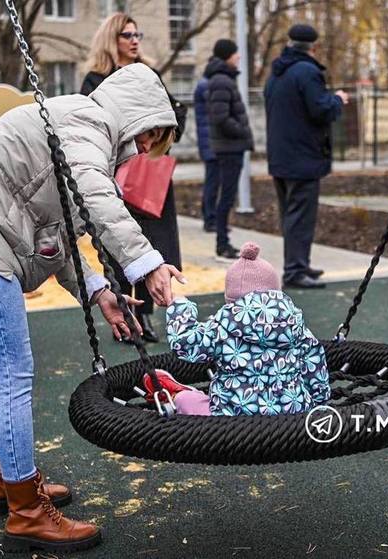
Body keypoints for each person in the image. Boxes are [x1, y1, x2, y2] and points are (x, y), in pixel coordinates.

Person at [0, 63, 185, 553]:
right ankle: (27, 513)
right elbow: (99, 201)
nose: (146, 149)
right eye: (150, 136)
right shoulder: (87, 124)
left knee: (0, 372)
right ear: (135, 116)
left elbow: (55, 235)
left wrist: (100, 290)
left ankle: (6, 482)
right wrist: (148, 263)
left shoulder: (75, 122)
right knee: (13, 371)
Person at [81, 13, 186, 344]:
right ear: (112, 39)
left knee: (155, 239)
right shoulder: (97, 80)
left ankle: (146, 315)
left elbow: (171, 120)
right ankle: (126, 314)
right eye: (126, 35)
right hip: (118, 176)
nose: (134, 40)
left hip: (151, 177)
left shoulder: (149, 75)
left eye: (137, 34)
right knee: (119, 239)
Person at [143, 242, 330, 416]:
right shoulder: (295, 323)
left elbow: (186, 345)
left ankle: (181, 394)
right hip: (291, 415)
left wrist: (179, 306)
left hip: (231, 420)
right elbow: (315, 365)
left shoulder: (223, 326)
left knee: (186, 401)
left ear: (231, 300)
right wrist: (318, 403)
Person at [264, 24, 349, 289]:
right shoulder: (308, 72)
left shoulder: (277, 73)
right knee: (300, 216)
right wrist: (337, 99)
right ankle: (295, 270)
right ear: (313, 47)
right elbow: (320, 110)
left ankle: (298, 264)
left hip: (281, 157)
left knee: (290, 216)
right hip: (303, 157)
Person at [205, 38, 254, 260]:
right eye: (235, 53)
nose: (239, 56)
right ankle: (222, 245)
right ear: (227, 56)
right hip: (230, 147)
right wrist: (243, 131)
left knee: (226, 195)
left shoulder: (222, 79)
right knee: (227, 196)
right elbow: (221, 117)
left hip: (230, 147)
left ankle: (223, 242)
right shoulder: (222, 81)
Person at [193, 60, 219, 233]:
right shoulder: (206, 87)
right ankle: (209, 219)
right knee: (213, 182)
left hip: (209, 141)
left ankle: (209, 217)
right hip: (211, 142)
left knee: (213, 181)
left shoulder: (203, 85)